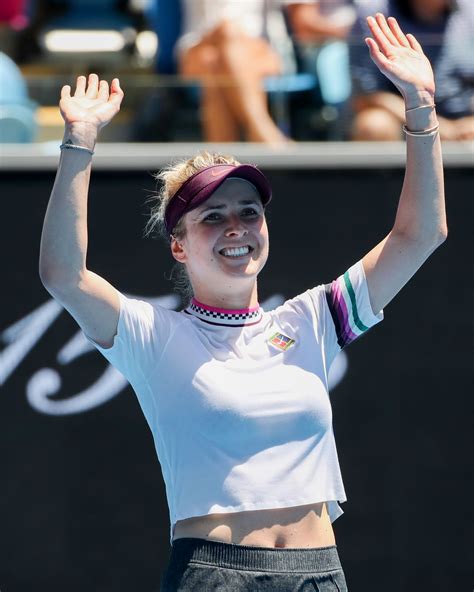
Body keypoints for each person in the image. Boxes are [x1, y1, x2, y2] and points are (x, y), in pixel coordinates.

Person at [39, 13, 447, 592]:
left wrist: (421, 106)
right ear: (178, 247)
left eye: (249, 212)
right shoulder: (153, 335)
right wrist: (78, 142)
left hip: (320, 575)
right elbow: (62, 273)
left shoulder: (312, 319)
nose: (237, 227)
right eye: (213, 216)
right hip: (213, 577)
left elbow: (421, 234)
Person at [176, 0, 298, 144]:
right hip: (200, 51)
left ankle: (221, 161)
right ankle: (262, 132)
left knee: (218, 60)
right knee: (224, 40)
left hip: (257, 53)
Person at [350, 0, 474, 141]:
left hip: (464, 121)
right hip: (403, 119)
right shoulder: (374, 14)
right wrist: (429, 121)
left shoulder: (471, 10)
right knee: (373, 125)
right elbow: (366, 97)